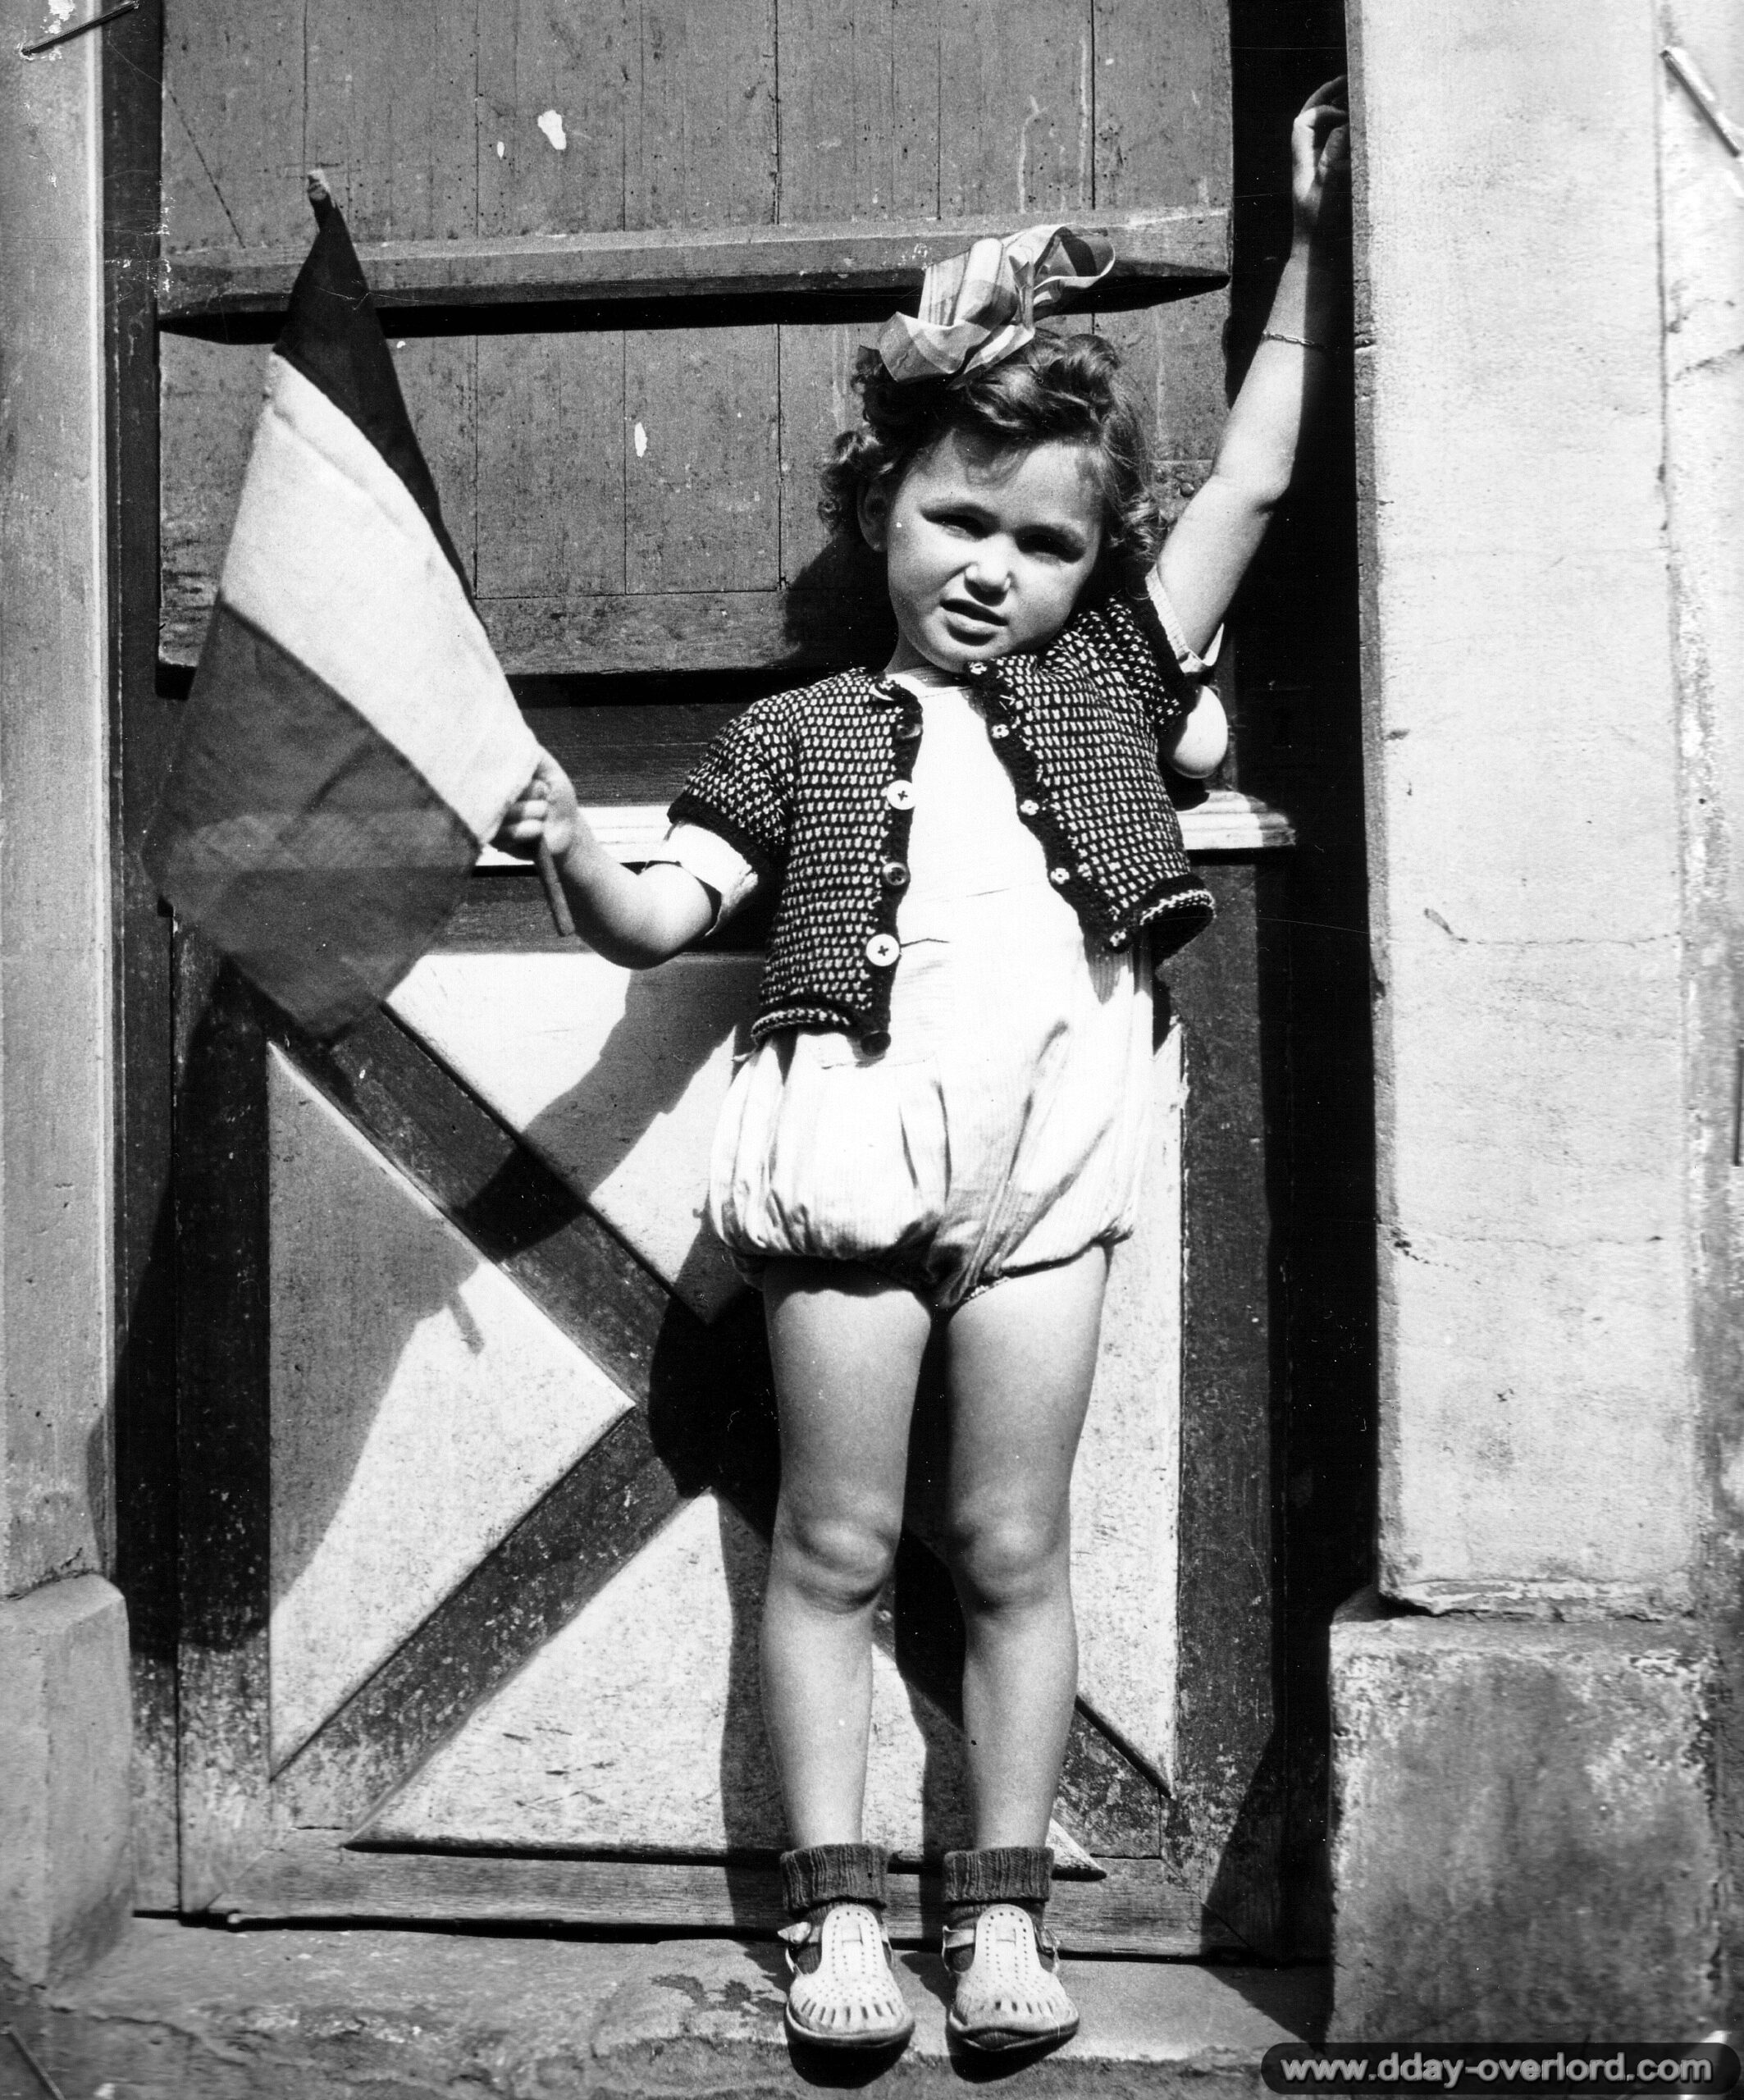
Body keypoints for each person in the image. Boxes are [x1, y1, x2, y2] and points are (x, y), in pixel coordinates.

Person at [497, 77, 1349, 2058]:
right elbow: (655, 915)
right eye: (956, 517)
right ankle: (836, 1913)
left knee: (1011, 1544)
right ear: (881, 508)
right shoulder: (799, 732)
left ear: (1090, 569)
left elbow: (1248, 485)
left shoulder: (1115, 680)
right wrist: (564, 838)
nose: (991, 565)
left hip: (1048, 1164)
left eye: (1043, 543)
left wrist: (1306, 249)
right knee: (836, 1542)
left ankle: (1004, 1912)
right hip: (858, 1155)